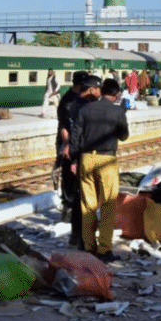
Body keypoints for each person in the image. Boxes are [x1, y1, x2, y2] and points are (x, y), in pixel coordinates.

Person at [71, 77, 129, 261]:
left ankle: (89, 247)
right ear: (116, 94)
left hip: (86, 158)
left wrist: (74, 160)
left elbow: (75, 136)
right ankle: (104, 250)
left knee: (88, 205)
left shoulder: (85, 109)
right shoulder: (118, 110)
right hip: (106, 161)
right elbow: (124, 136)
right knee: (108, 205)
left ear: (102, 91)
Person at [57, 71, 91, 246]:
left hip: (73, 145)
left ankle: (75, 220)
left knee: (76, 186)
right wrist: (68, 145)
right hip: (68, 146)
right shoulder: (69, 102)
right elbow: (65, 127)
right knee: (71, 183)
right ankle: (69, 212)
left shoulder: (77, 100)